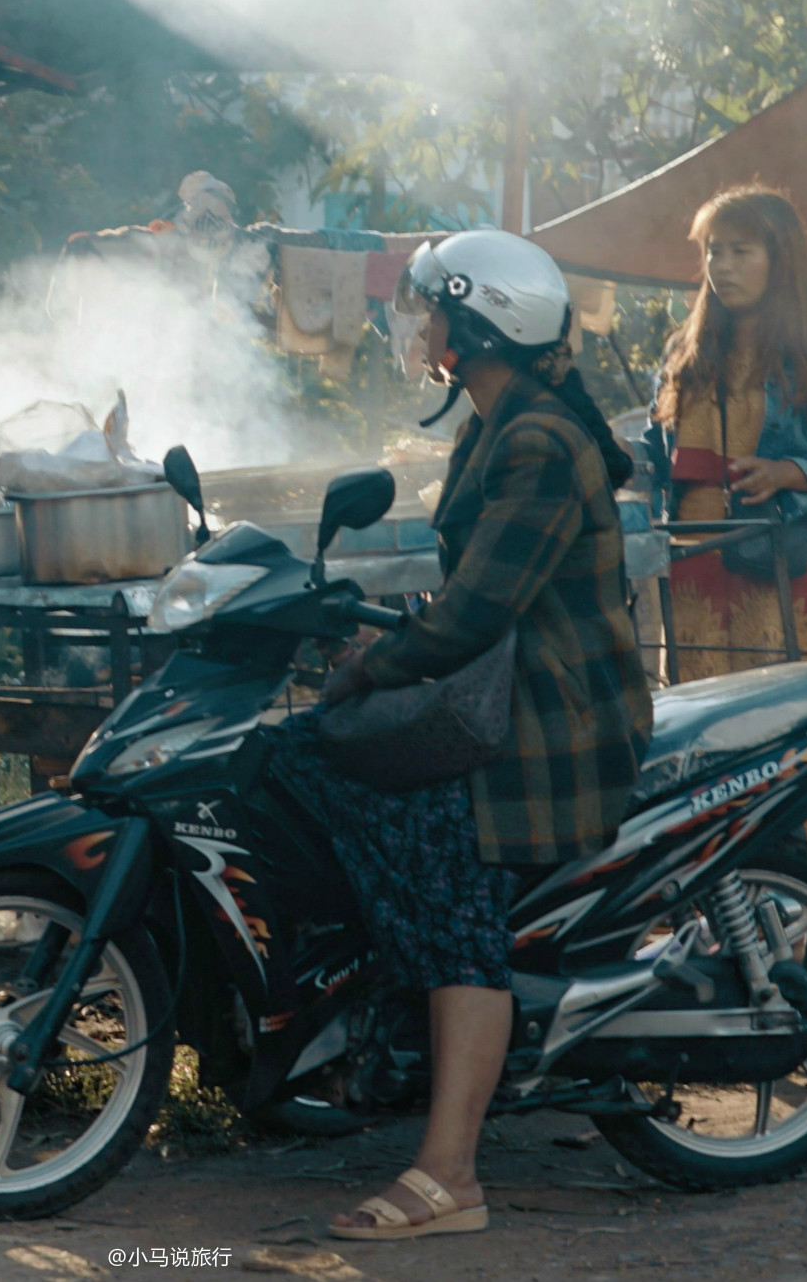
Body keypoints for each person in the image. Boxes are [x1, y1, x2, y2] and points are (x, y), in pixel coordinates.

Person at [293, 229, 649, 1242]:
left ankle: (448, 1173)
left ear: (476, 325)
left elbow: (477, 611)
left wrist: (366, 667)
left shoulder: (536, 439)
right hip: (503, 700)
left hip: (548, 725)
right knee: (306, 763)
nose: (417, 327)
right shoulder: (495, 422)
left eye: (429, 310)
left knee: (449, 890)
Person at [649, 187, 807, 677]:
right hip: (693, 554)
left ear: (781, 259)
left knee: (796, 715)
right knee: (701, 717)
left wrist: (790, 472)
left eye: (741, 251)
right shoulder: (681, 353)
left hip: (784, 553)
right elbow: (655, 453)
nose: (723, 266)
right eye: (714, 251)